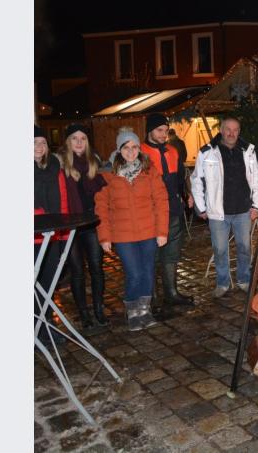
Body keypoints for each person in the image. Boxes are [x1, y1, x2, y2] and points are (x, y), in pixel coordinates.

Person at [95, 128, 169, 331]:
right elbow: (101, 208)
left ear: (139, 148)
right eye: (126, 147)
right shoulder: (107, 174)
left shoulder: (149, 171)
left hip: (148, 231)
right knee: (134, 273)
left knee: (147, 271)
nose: (131, 151)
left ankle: (144, 311)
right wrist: (104, 236)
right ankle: (132, 310)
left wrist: (162, 231)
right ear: (119, 150)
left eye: (134, 146)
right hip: (123, 234)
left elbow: (161, 201)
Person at [191, 116, 258, 297]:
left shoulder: (248, 151)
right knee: (220, 249)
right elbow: (197, 180)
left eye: (235, 130)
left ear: (239, 131)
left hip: (243, 211)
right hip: (217, 212)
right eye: (228, 129)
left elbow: (256, 179)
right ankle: (222, 283)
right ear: (221, 130)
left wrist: (256, 204)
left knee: (244, 248)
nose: (231, 133)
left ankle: (244, 280)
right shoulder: (207, 152)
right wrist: (201, 207)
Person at [140, 113, 194, 311]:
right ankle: (152, 298)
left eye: (165, 130)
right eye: (159, 131)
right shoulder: (139, 153)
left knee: (171, 254)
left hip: (173, 209)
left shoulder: (173, 151)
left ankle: (171, 293)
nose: (164, 134)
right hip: (151, 213)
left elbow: (180, 177)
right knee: (152, 256)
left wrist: (186, 193)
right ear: (150, 131)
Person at [57, 124, 109, 329]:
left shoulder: (93, 162)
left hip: (91, 223)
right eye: (74, 138)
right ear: (68, 142)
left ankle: (98, 308)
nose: (79, 142)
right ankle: (84, 314)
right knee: (77, 271)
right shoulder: (60, 163)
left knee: (96, 267)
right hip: (70, 226)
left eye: (83, 138)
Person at [35, 125, 77, 344]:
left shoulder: (54, 167)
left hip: (51, 237)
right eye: (34, 142)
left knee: (49, 283)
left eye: (42, 142)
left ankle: (46, 326)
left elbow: (62, 202)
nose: (39, 147)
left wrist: (62, 234)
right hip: (32, 238)